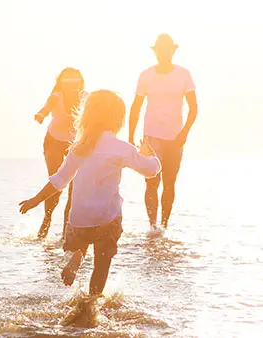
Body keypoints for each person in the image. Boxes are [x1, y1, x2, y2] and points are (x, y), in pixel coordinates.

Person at [20, 90, 162, 296]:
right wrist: (152, 155)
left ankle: (77, 255)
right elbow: (150, 171)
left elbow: (59, 181)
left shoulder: (79, 148)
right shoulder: (122, 148)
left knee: (82, 238)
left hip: (79, 220)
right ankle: (92, 301)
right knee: (101, 265)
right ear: (118, 120)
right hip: (106, 218)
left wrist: (35, 200)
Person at [129, 34, 198, 230]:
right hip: (151, 137)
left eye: (167, 48)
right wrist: (130, 136)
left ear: (173, 51)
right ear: (155, 51)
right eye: (160, 48)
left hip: (175, 138)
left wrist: (184, 133)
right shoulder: (146, 75)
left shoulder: (183, 74)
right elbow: (136, 107)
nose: (163, 52)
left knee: (169, 183)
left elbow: (193, 107)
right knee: (151, 182)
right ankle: (153, 226)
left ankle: (164, 227)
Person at [33, 67, 86, 239]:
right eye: (67, 81)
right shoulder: (56, 96)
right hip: (54, 141)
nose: (71, 85)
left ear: (79, 82)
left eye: (74, 81)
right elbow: (46, 108)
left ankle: (66, 231)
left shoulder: (85, 97)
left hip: (76, 144)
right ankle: (46, 220)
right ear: (61, 83)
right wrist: (40, 115)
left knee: (75, 187)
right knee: (56, 183)